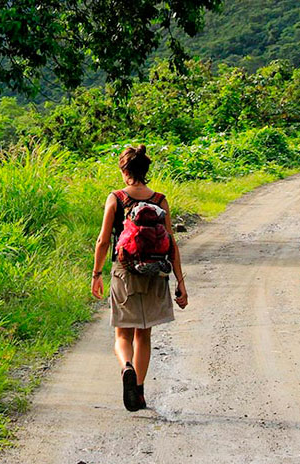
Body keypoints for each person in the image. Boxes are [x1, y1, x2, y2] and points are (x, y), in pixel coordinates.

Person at [92, 145, 188, 412]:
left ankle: (126, 368)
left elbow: (102, 241)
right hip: (156, 273)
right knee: (144, 335)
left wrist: (97, 273)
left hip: (125, 272)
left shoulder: (117, 197)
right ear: (146, 171)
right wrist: (180, 281)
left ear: (124, 171)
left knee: (122, 334)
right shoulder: (160, 200)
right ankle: (140, 390)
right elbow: (171, 243)